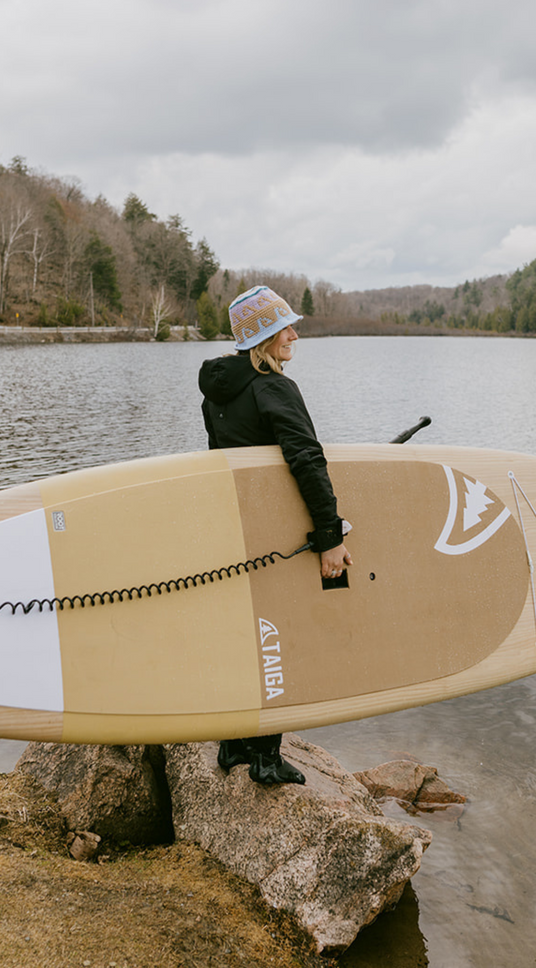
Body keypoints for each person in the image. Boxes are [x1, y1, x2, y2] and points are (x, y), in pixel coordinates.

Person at [198, 285, 352, 785]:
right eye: (284, 327)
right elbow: (307, 460)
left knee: (246, 632)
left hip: (239, 533)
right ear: (262, 336)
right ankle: (266, 757)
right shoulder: (275, 387)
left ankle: (233, 744)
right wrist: (329, 535)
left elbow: (219, 464)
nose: (294, 334)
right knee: (282, 636)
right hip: (283, 537)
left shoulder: (216, 391)